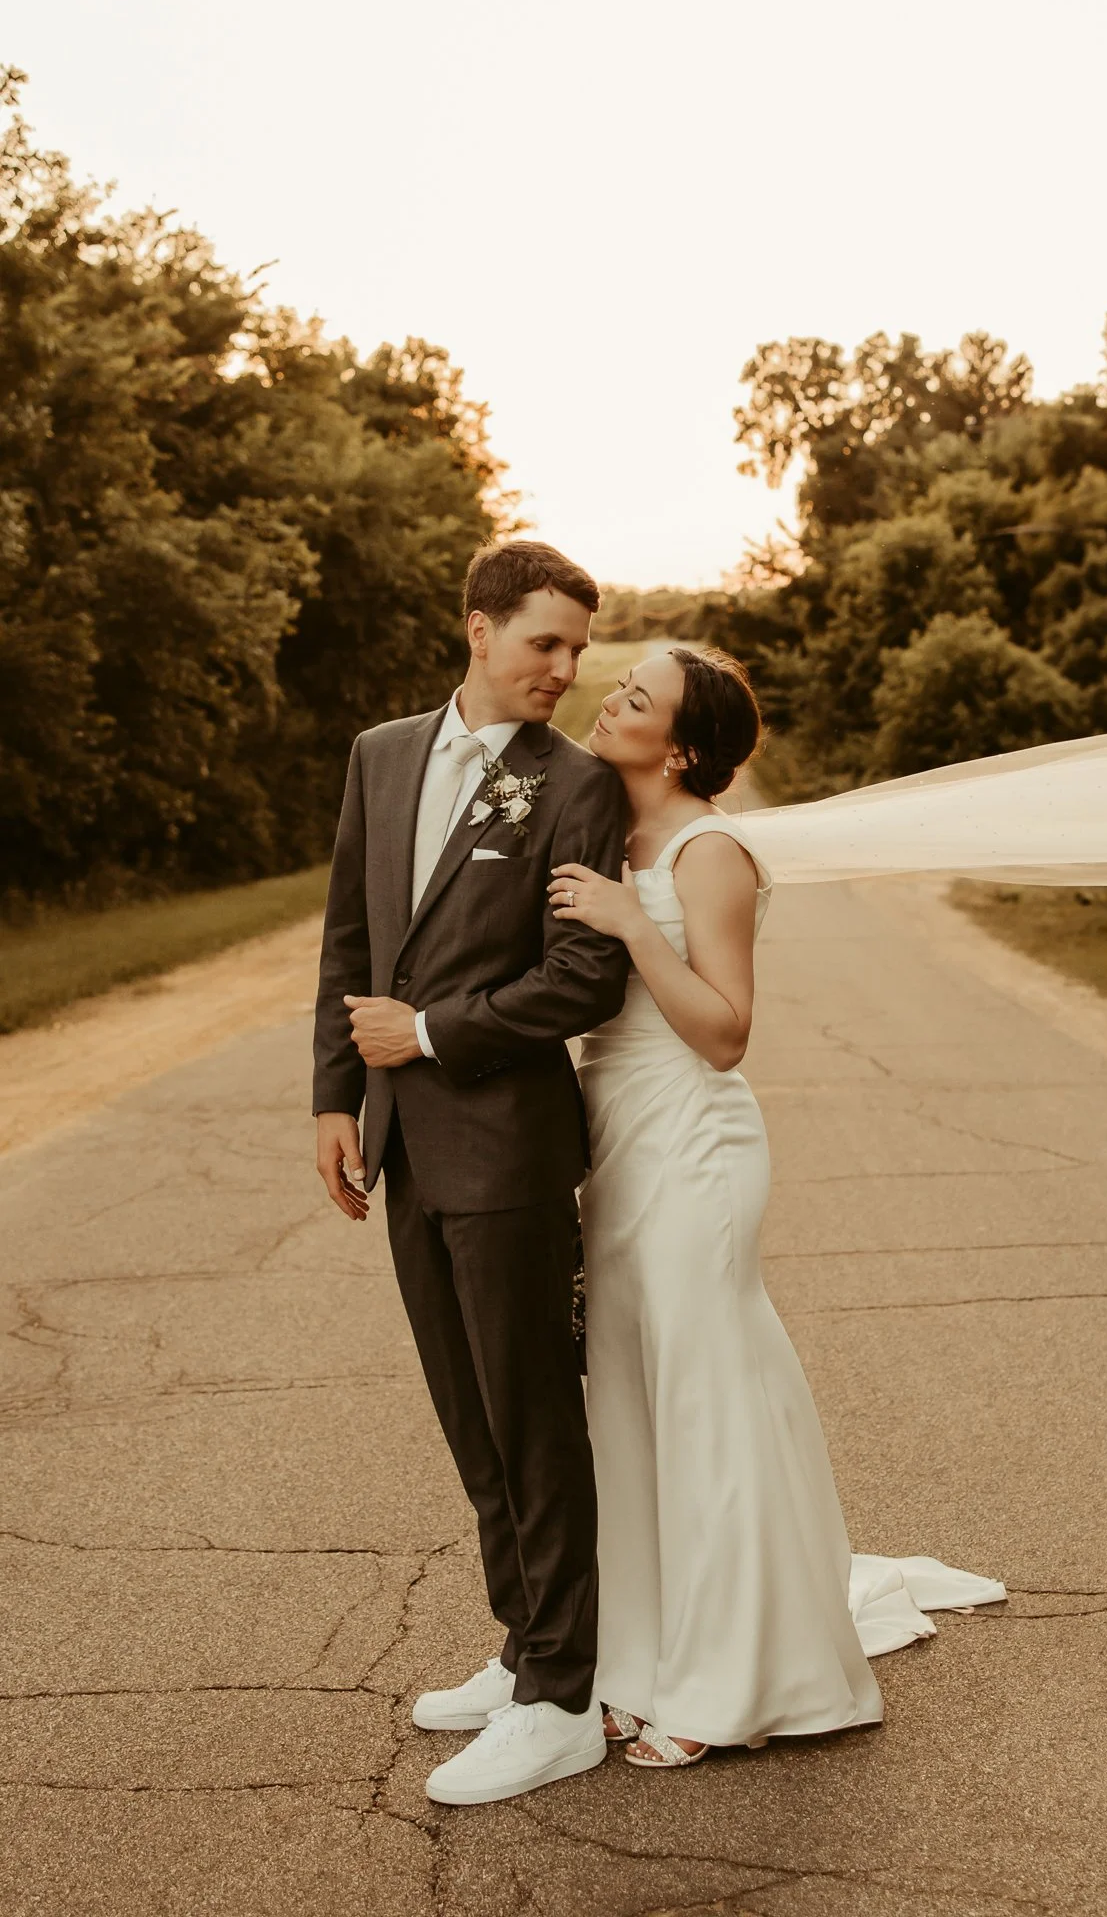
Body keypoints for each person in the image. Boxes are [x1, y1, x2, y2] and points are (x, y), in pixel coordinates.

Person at [312, 540, 631, 1807]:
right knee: (466, 1405)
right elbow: (347, 934)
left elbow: (582, 976)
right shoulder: (380, 754)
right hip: (400, 1142)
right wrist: (336, 1095)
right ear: (478, 629)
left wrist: (435, 1034)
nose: (565, 669)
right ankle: (520, 1645)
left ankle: (564, 1694)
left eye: (577, 648)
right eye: (543, 642)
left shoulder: (578, 786)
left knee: (531, 1411)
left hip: (507, 1145)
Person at [549, 647, 892, 1767]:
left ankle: (730, 1677)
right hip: (616, 1133)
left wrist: (630, 923)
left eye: (636, 699)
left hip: (695, 1139)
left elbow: (726, 1028)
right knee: (631, 1403)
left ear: (684, 749)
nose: (611, 699)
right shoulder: (611, 828)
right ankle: (635, 1660)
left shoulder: (710, 851)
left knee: (702, 1396)